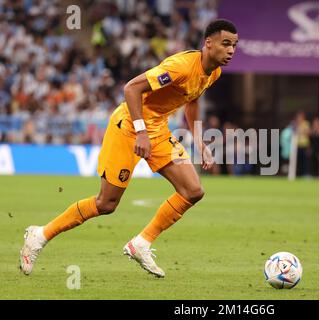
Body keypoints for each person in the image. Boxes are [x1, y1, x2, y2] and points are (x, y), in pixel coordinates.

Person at [19, 19, 239, 277]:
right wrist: (141, 132)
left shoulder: (213, 72)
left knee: (193, 190)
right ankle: (40, 235)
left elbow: (192, 101)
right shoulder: (180, 67)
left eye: (234, 45)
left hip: (157, 129)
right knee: (106, 203)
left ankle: (141, 243)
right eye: (226, 44)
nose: (231, 51)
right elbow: (131, 88)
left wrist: (199, 140)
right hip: (128, 128)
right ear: (208, 43)